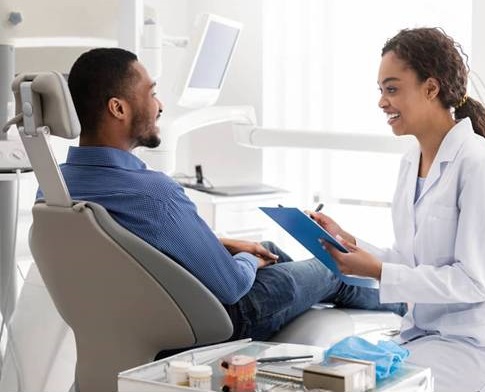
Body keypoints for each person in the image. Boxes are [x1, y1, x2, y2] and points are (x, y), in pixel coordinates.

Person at [50, 47, 405, 342]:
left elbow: (132, 248)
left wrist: (228, 244)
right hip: (222, 319)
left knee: (267, 246)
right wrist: (249, 261)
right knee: (327, 268)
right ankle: (409, 305)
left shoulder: (57, 187)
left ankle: (348, 293)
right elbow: (233, 286)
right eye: (152, 93)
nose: (160, 106)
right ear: (119, 108)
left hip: (141, 317)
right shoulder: (155, 194)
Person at [313, 28, 485, 391]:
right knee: (328, 374)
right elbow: (411, 258)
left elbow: (472, 281)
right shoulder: (411, 160)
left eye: (392, 89)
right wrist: (353, 244)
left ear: (431, 89)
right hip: (425, 335)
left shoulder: (478, 164)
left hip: (475, 346)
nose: (382, 102)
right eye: (381, 91)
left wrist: (380, 271)